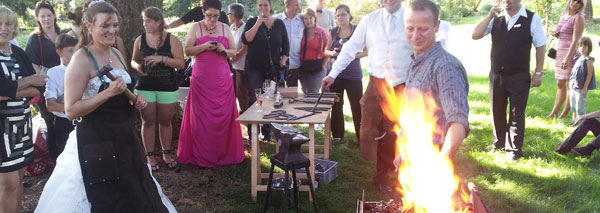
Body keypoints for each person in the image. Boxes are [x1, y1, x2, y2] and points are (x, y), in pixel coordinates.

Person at [35, 1, 175, 212]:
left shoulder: (116, 54)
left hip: (125, 139)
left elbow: (124, 90)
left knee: (136, 193)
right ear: (89, 26)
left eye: (115, 25)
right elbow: (71, 110)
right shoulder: (81, 60)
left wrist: (135, 98)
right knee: (107, 198)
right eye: (106, 26)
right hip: (95, 143)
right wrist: (108, 93)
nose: (112, 31)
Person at [321, 0, 413, 196]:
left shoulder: (411, 17)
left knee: (403, 131)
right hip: (376, 84)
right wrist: (333, 74)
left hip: (404, 84)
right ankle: (383, 176)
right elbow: (350, 48)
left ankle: (404, 174)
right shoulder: (370, 20)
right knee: (378, 132)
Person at [393, 0, 469, 165]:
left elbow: (458, 122)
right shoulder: (416, 62)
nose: (415, 35)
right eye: (410, 28)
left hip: (432, 158)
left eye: (423, 29)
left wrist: (442, 160)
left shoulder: (445, 66)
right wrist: (403, 151)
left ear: (436, 26)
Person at [472, 0, 547, 162]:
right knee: (496, 111)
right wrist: (489, 16)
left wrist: (538, 71)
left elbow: (541, 45)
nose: (505, 1)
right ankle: (498, 144)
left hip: (519, 75)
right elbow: (475, 35)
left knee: (516, 113)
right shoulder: (496, 17)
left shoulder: (531, 18)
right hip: (497, 74)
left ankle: (514, 150)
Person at [178, 0, 245, 168]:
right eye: (209, 15)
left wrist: (223, 49)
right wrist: (205, 46)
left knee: (223, 112)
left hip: (221, 76)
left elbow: (234, 52)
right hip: (202, 76)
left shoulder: (225, 27)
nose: (213, 19)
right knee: (202, 115)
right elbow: (187, 50)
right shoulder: (195, 28)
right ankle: (202, 154)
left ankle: (223, 152)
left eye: (216, 16)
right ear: (203, 12)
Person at [0, 6, 47, 212]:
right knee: (7, 182)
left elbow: (38, 88)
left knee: (19, 177)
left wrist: (9, 90)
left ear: (14, 27)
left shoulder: (18, 52)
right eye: (0, 23)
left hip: (22, 124)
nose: (4, 28)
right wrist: (26, 81)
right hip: (2, 128)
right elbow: (33, 80)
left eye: (8, 24)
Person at [131, 7, 185, 171]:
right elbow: (133, 60)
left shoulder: (172, 39)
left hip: (167, 87)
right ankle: (149, 156)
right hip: (145, 87)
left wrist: (162, 59)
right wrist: (137, 66)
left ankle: (166, 154)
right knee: (148, 121)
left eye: (148, 21)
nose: (144, 24)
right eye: (144, 21)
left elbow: (181, 64)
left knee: (165, 121)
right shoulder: (140, 39)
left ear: (158, 21)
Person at [242, 0, 290, 141]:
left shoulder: (279, 23)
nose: (263, 8)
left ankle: (267, 132)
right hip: (254, 67)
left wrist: (282, 61)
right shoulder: (251, 22)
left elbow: (286, 46)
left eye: (265, 5)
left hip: (272, 69)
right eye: (260, 5)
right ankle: (253, 133)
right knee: (254, 99)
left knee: (270, 98)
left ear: (270, 6)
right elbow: (246, 40)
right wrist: (258, 23)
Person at [25, 0, 61, 165]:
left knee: (68, 121)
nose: (46, 19)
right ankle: (56, 160)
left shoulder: (64, 34)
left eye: (49, 15)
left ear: (54, 15)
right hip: (45, 87)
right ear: (37, 18)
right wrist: (52, 78)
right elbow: (32, 64)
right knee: (52, 123)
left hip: (67, 84)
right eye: (42, 16)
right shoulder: (35, 38)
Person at [325, 4, 366, 142]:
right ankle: (337, 135)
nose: (340, 17)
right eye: (338, 15)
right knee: (337, 105)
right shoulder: (333, 31)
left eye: (343, 14)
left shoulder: (357, 30)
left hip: (353, 75)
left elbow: (366, 51)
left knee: (357, 105)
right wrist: (334, 53)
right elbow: (326, 50)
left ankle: (361, 135)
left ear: (349, 15)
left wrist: (350, 55)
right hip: (336, 75)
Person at [548, 0, 585, 118]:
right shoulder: (564, 15)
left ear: (581, 5)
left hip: (570, 52)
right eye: (574, 0)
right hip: (560, 50)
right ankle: (554, 112)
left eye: (579, 2)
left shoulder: (579, 17)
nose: (576, 3)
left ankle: (564, 113)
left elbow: (576, 39)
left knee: (569, 84)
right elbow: (560, 31)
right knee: (560, 82)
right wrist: (555, 33)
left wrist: (567, 58)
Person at [44, 33, 78, 161]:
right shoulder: (53, 73)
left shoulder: (85, 70)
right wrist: (74, 107)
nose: (74, 54)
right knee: (66, 160)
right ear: (59, 52)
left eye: (77, 50)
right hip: (64, 123)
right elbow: (50, 105)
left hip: (86, 121)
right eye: (70, 51)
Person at [299, 8, 330, 94]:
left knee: (313, 93)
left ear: (314, 18)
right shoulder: (301, 31)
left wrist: (322, 66)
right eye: (306, 18)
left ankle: (313, 108)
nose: (308, 21)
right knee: (305, 92)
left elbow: (328, 50)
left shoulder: (321, 32)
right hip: (303, 67)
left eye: (310, 18)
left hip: (317, 67)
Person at [274, 0, 304, 87]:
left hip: (295, 63)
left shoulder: (302, 19)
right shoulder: (276, 19)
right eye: (296, 5)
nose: (299, 7)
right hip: (279, 63)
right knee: (277, 92)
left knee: (292, 94)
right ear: (287, 5)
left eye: (299, 5)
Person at [228, 3, 250, 113]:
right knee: (233, 93)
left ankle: (248, 119)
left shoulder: (245, 28)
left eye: (229, 13)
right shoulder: (231, 27)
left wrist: (233, 59)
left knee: (242, 95)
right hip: (232, 67)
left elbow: (244, 49)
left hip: (242, 67)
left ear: (233, 15)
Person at [568, 37, 595, 119]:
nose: (582, 48)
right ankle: (574, 122)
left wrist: (585, 87)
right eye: (580, 46)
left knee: (580, 108)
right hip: (573, 85)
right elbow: (576, 71)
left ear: (589, 48)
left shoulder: (588, 60)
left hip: (581, 87)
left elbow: (589, 74)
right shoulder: (578, 58)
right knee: (573, 106)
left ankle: (581, 124)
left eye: (585, 46)